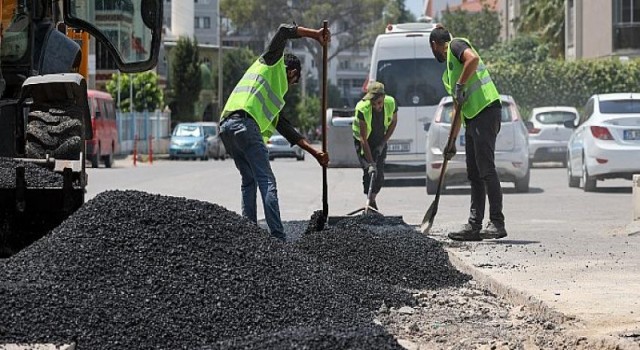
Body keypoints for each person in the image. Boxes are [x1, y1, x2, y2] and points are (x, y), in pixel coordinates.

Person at [219, 23, 330, 241]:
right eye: (294, 81)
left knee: (248, 180)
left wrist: (315, 153)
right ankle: (278, 238)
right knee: (267, 181)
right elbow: (283, 30)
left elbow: (287, 129)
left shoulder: (272, 92)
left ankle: (249, 233)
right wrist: (315, 35)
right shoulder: (272, 60)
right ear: (293, 72)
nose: (291, 86)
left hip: (226, 127)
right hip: (245, 124)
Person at [429, 24, 508, 241]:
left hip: (486, 110)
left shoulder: (455, 45)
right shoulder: (448, 73)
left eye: (432, 48)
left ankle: (497, 223)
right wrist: (451, 142)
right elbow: (457, 107)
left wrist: (461, 83)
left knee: (486, 169)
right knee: (474, 174)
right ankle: (474, 226)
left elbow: (472, 59)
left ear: (435, 45)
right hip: (472, 118)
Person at [352, 81, 398, 211]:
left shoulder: (391, 103)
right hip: (363, 141)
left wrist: (383, 143)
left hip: (379, 139)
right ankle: (370, 202)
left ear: (383, 97)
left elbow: (393, 123)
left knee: (379, 175)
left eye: (378, 103)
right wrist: (371, 163)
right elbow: (363, 138)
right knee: (369, 172)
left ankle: (372, 201)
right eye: (373, 103)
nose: (375, 105)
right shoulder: (362, 108)